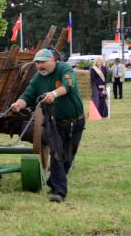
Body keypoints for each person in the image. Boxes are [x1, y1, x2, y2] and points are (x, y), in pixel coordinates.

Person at [10, 49, 85, 203]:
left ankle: (53, 181)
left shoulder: (64, 68)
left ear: (53, 60)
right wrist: (18, 104)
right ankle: (59, 192)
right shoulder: (37, 78)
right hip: (53, 122)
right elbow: (27, 96)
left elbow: (68, 86)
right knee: (57, 155)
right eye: (37, 63)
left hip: (76, 121)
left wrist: (53, 94)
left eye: (43, 62)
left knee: (68, 157)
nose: (40, 66)